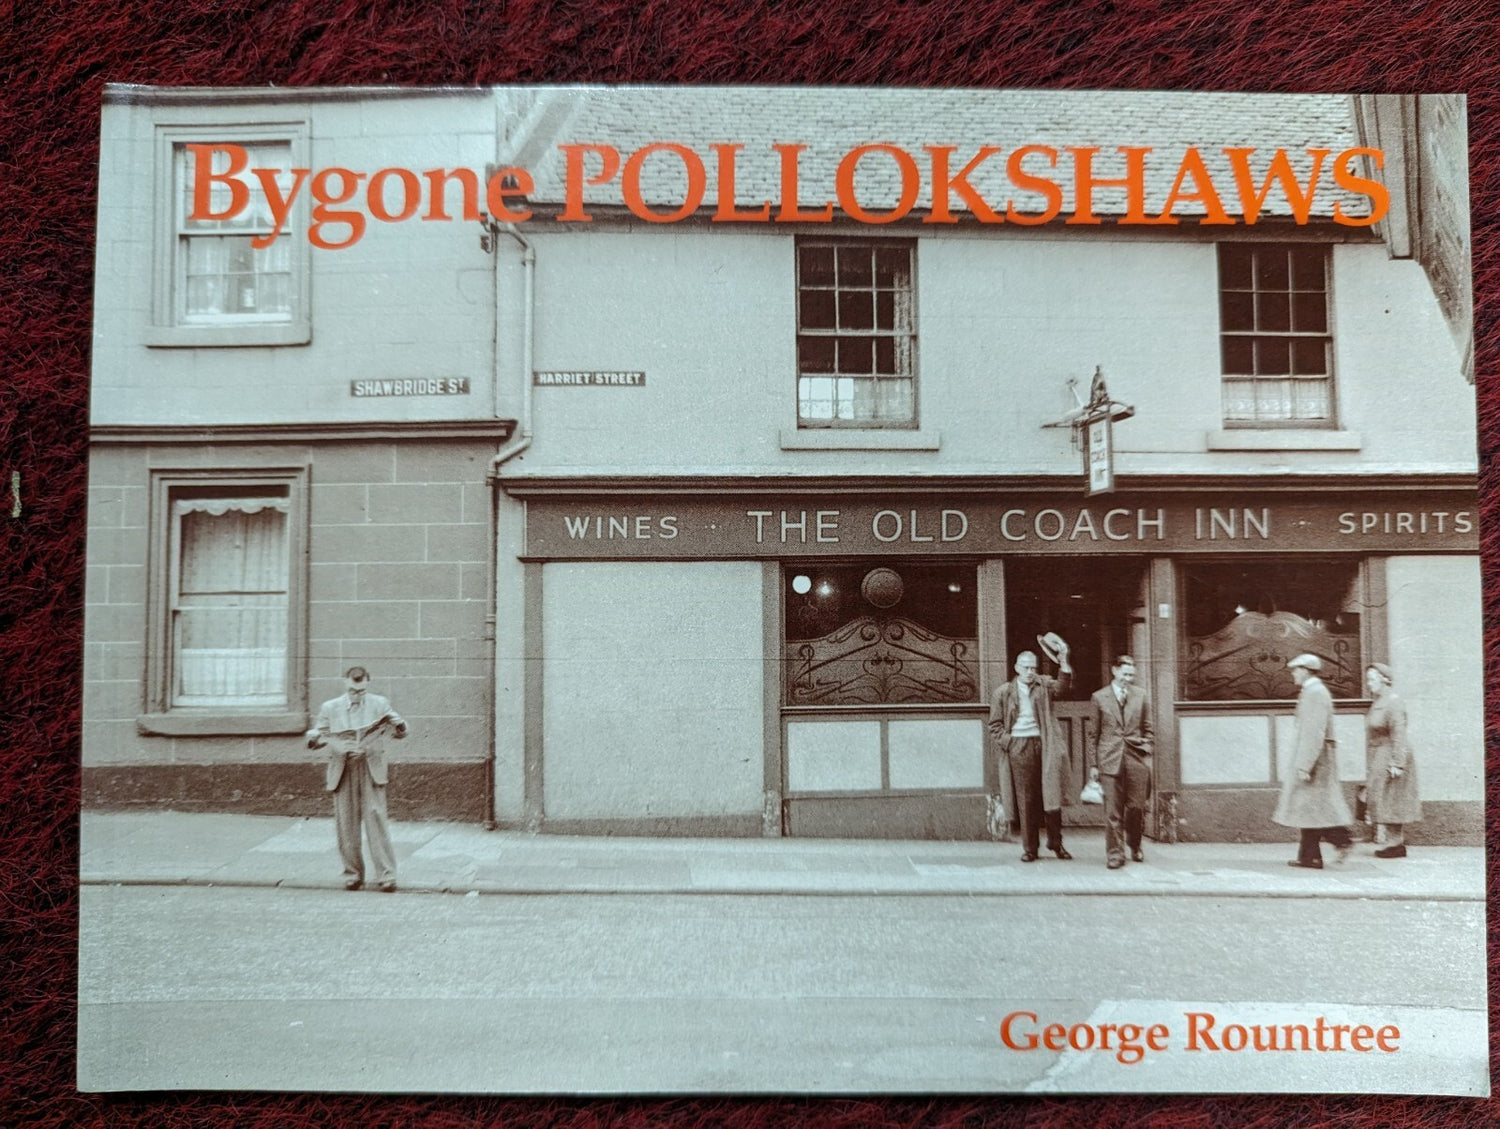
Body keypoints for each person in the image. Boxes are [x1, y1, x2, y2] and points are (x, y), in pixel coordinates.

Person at [307, 666, 408, 892]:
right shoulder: (330, 707)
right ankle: (353, 875)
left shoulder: (379, 703)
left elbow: (401, 732)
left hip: (371, 767)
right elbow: (316, 737)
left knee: (376, 821)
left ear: (367, 685)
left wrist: (399, 724)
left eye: (361, 691)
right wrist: (325, 741)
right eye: (353, 691)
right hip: (344, 768)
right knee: (346, 825)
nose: (357, 696)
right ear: (346, 684)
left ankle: (387, 876)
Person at [989, 635, 1073, 863]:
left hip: (1043, 744)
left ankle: (1056, 843)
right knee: (1026, 800)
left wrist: (1063, 661)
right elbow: (994, 725)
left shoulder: (1043, 685)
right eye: (1025, 668)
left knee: (1051, 795)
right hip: (1019, 746)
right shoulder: (1003, 692)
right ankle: (1030, 848)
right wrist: (1009, 742)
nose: (1029, 672)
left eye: (1033, 668)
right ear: (1016, 668)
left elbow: (1062, 688)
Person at [1272, 653, 1353, 869]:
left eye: (1296, 670)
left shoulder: (1315, 693)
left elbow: (1314, 732)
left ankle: (1341, 840)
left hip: (1315, 761)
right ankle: (1310, 857)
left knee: (1312, 807)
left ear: (1306, 670)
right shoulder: (1312, 691)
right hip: (1315, 758)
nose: (1293, 674)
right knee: (1309, 808)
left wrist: (1305, 764)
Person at [1086, 655, 1154, 869]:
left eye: (1131, 675)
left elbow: (1148, 727)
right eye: (1125, 674)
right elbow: (1093, 734)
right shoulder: (1099, 697)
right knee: (1113, 812)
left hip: (1136, 759)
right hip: (1109, 759)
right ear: (1114, 671)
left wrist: (1147, 746)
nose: (1128, 679)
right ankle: (1115, 854)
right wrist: (1093, 764)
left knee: (1136, 807)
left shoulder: (1141, 695)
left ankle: (1134, 844)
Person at [1364, 663, 1421, 858]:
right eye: (1368, 679)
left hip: (1391, 754)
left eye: (1372, 679)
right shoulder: (1380, 701)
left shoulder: (1393, 701)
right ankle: (1393, 842)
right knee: (1384, 798)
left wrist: (1397, 763)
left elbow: (1399, 733)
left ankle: (1395, 844)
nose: (1368, 683)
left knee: (1392, 798)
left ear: (1384, 680)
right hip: (1381, 753)